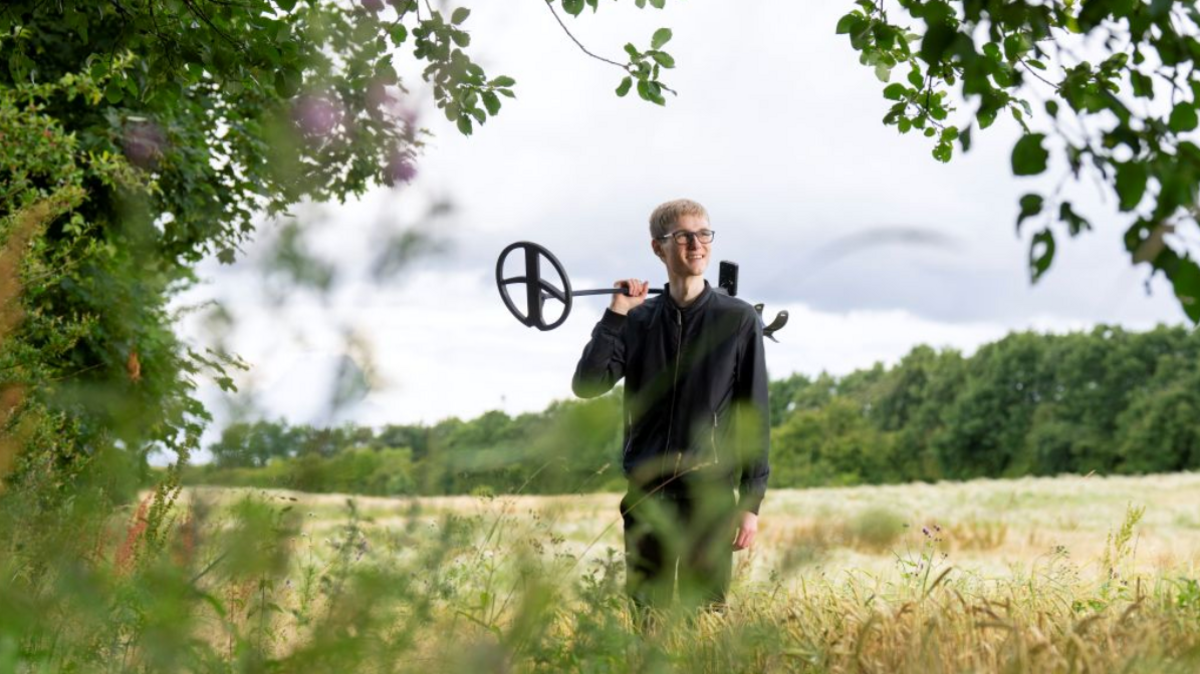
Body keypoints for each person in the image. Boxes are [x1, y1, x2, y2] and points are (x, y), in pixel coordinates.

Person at [571, 198, 770, 629]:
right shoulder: (637, 320)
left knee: (706, 620)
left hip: (711, 498)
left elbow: (754, 411)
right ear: (658, 247)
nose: (696, 244)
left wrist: (751, 502)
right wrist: (614, 316)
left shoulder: (737, 320)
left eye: (704, 234)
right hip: (646, 496)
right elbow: (588, 385)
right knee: (648, 619)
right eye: (683, 235)